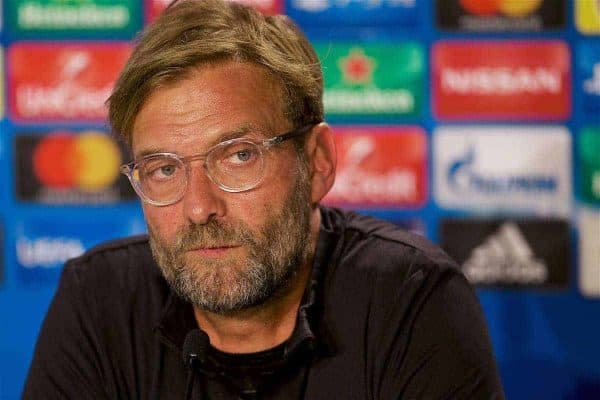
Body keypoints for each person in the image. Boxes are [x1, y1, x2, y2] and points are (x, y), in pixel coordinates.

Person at [23, 0, 504, 398]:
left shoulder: (409, 296)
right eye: (165, 169)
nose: (199, 207)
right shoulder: (98, 298)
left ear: (316, 162)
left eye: (238, 157)